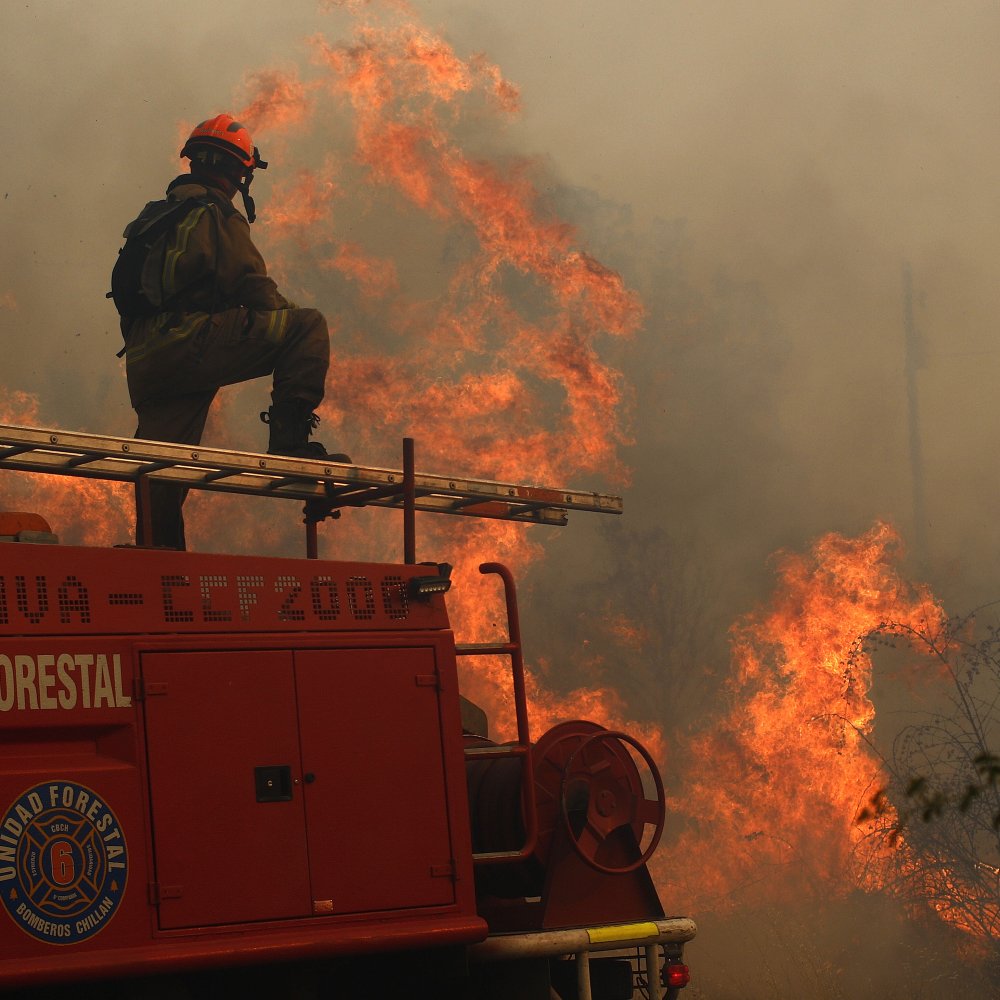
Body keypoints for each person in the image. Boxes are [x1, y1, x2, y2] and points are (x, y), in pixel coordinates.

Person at [118, 114, 348, 550]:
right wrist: (288, 319)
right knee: (308, 326)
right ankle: (289, 442)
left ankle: (159, 562)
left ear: (193, 161)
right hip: (189, 343)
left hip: (147, 358)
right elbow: (252, 284)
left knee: (161, 469)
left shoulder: (154, 217)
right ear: (240, 173)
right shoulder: (215, 213)